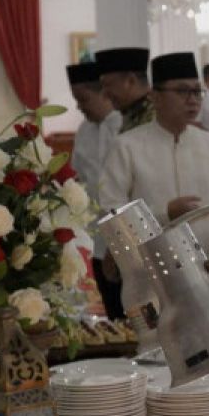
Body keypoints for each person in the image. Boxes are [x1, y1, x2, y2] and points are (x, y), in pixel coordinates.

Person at [99, 52, 209, 304]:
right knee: (159, 343)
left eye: (197, 92)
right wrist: (164, 214)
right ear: (155, 97)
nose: (192, 100)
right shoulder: (127, 146)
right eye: (182, 91)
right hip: (150, 281)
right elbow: (111, 212)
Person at [68, 62, 124, 318]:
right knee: (112, 307)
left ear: (104, 93)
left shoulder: (124, 126)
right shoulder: (84, 131)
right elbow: (77, 176)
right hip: (100, 237)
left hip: (128, 234)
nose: (80, 106)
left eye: (84, 99)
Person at [95, 47, 154, 133]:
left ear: (130, 81)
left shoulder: (158, 119)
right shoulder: (132, 113)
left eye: (108, 85)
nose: (104, 94)